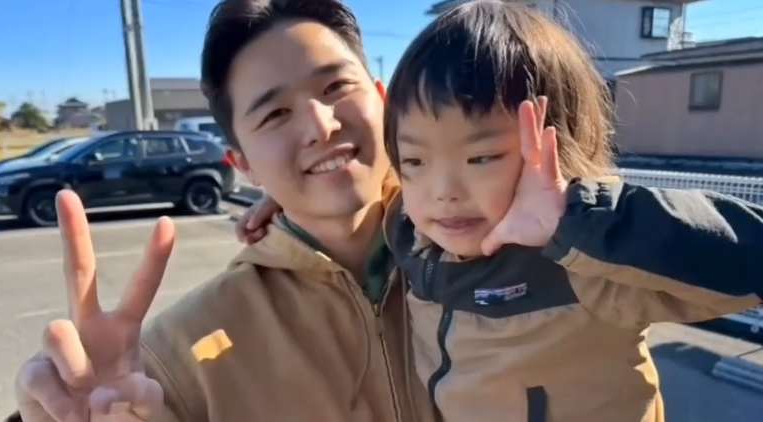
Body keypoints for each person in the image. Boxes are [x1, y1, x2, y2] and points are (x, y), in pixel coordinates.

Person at [236, 2, 763, 422]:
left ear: (559, 149)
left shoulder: (589, 263)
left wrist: (580, 216)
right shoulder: (412, 230)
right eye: (415, 160)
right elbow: (386, 188)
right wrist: (292, 194)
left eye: (482, 157)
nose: (443, 191)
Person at [8, 0, 436, 421]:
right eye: (276, 113)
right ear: (244, 164)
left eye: (335, 87)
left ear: (385, 101)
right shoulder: (174, 356)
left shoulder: (471, 252)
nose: (321, 127)